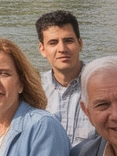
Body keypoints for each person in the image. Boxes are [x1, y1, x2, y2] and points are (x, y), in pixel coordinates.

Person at [36, 10, 95, 146]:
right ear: (42, 49)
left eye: (68, 41)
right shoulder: (35, 90)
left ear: (80, 44)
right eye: (53, 43)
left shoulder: (102, 85)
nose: (62, 48)